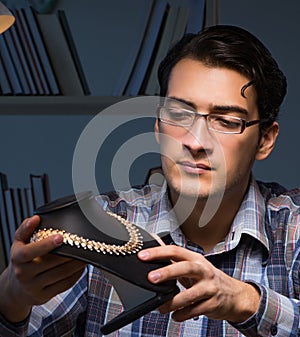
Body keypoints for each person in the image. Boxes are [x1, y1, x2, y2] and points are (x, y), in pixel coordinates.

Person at [0, 24, 299, 337]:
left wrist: (245, 302)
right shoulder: (99, 223)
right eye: (180, 115)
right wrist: (11, 296)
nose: (196, 142)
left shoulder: (294, 230)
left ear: (265, 139)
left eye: (226, 121)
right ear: (158, 126)